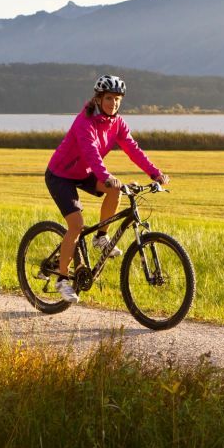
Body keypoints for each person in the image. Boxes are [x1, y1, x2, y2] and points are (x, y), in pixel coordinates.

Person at [45, 74, 168, 303]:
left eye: (118, 99)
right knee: (76, 224)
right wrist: (106, 177)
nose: (114, 103)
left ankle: (101, 237)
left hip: (84, 173)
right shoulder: (85, 122)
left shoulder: (117, 123)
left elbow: (133, 149)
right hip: (61, 175)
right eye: (109, 98)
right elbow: (91, 152)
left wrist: (155, 173)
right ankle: (62, 279)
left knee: (115, 190)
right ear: (98, 99)